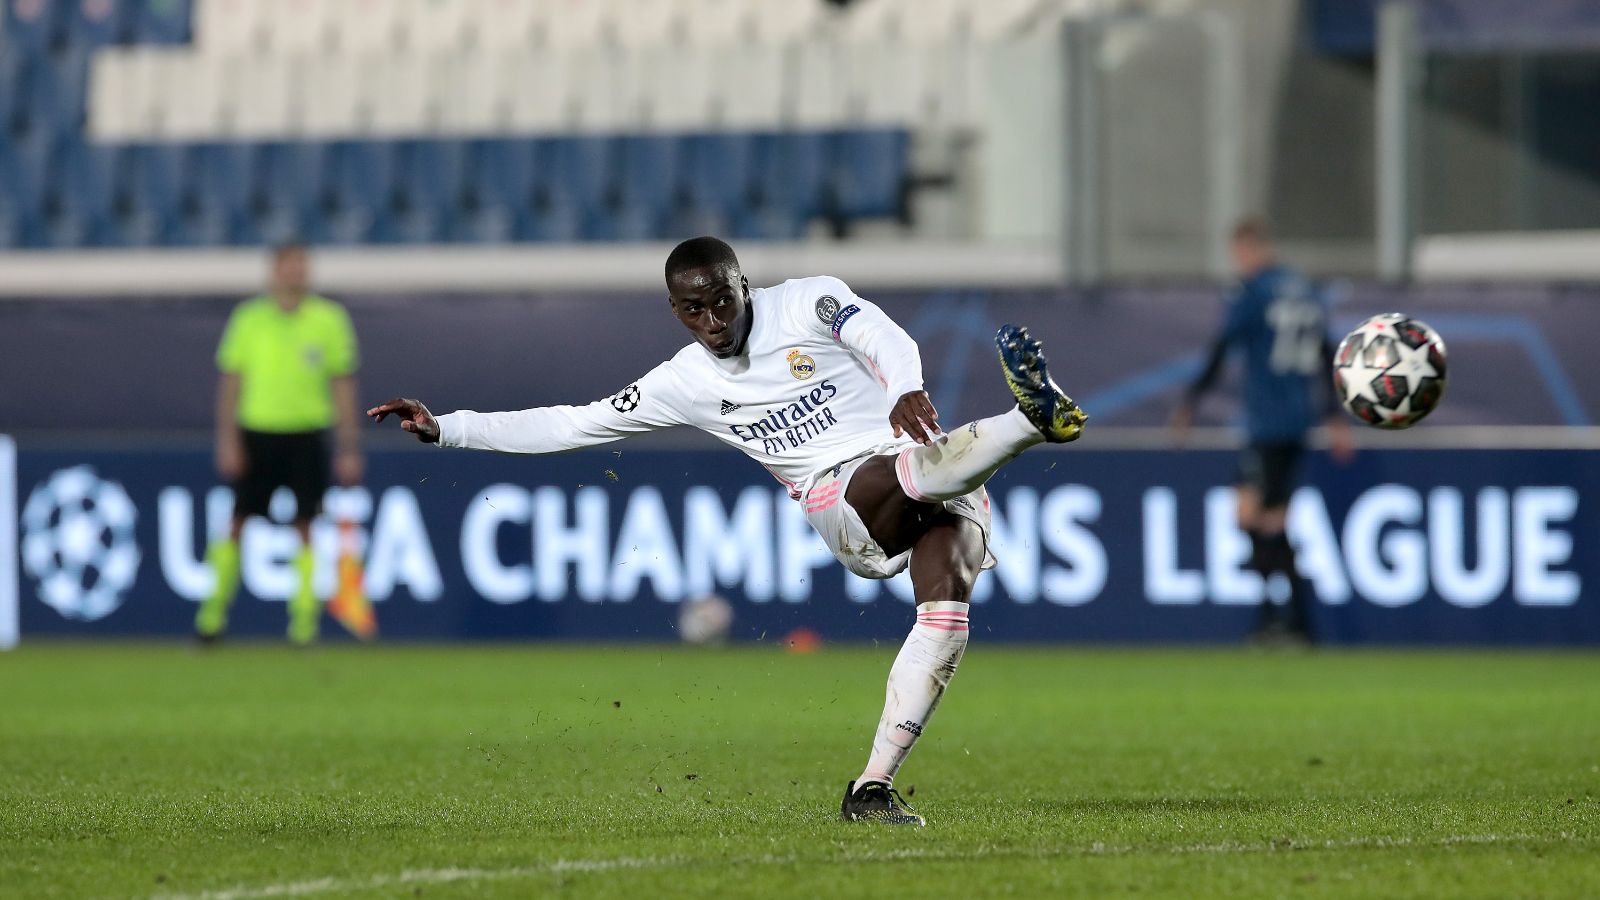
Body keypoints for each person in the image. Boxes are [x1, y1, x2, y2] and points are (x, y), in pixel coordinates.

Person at [369, 236, 1087, 826]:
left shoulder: (806, 301)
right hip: (846, 505)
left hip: (926, 461)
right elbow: (573, 422)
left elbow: (878, 332)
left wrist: (902, 384)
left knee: (949, 602)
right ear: (675, 310)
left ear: (746, 284)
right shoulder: (684, 381)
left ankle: (871, 787)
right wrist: (450, 429)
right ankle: (1029, 422)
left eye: (721, 300)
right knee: (899, 471)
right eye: (693, 310)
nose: (712, 320)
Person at [1171, 218, 1353, 645]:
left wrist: (1190, 401)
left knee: (1253, 518)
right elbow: (1327, 352)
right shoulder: (1303, 288)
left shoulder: (1254, 292)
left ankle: (1285, 622)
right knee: (1269, 519)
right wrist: (1333, 414)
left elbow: (1222, 346)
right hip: (1299, 421)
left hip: (1267, 422)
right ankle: (1285, 622)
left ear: (1247, 248)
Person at [196, 243, 364, 646]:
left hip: (307, 434)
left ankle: (303, 625)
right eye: (287, 267)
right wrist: (228, 441)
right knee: (237, 523)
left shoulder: (329, 319)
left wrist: (348, 446)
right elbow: (230, 385)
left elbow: (342, 386)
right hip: (258, 434)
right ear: (274, 273)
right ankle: (211, 618)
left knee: (306, 525)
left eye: (300, 267)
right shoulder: (249, 319)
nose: (294, 275)